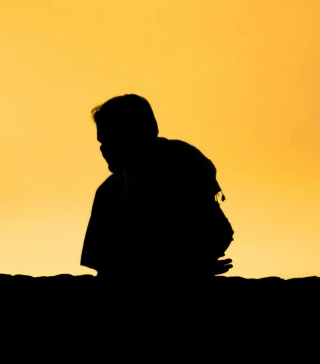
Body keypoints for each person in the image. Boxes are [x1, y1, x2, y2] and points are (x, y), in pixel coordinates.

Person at [81, 94, 234, 278]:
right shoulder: (186, 161)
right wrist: (194, 266)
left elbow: (106, 264)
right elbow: (220, 231)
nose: (103, 149)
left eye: (106, 141)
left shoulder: (115, 188)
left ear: (126, 138)